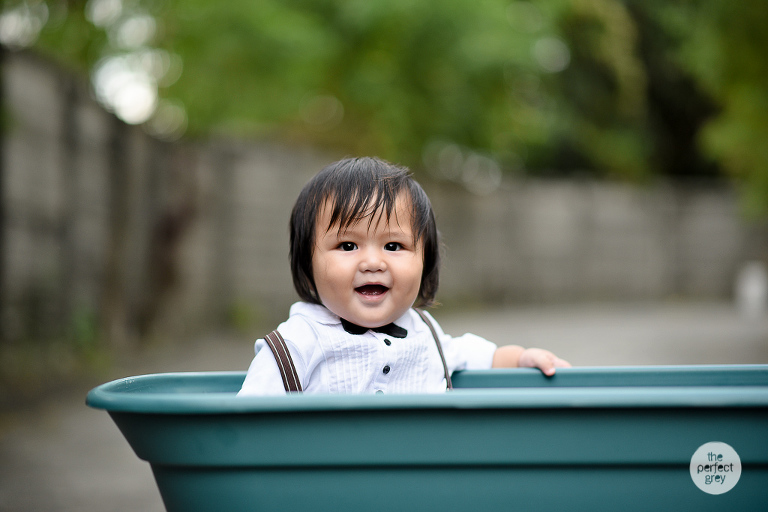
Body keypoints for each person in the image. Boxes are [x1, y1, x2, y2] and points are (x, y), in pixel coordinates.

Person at [238, 157, 570, 395]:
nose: (372, 262)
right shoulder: (298, 342)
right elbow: (249, 421)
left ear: (426, 261)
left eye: (394, 245)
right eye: (348, 244)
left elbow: (478, 356)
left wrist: (521, 357)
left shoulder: (425, 334)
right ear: (307, 262)